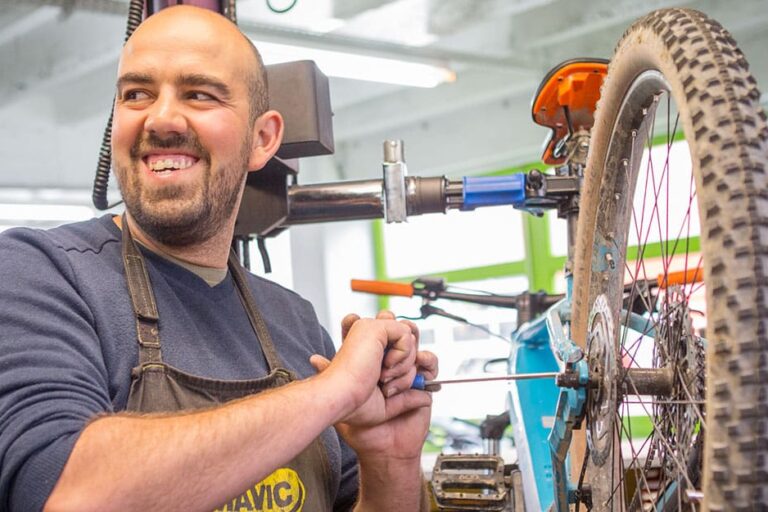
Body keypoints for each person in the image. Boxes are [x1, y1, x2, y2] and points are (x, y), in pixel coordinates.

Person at [0, 5, 438, 511]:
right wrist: (333, 392)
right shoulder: (40, 275)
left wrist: (389, 462)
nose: (161, 118)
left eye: (199, 94)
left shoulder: (294, 321)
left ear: (262, 139)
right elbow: (69, 494)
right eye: (137, 94)